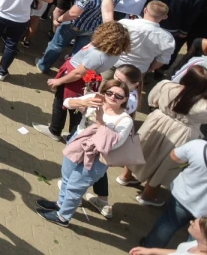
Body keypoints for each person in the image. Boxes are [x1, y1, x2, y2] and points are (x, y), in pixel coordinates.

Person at [36, 78, 135, 227]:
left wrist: (100, 122)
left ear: (125, 99)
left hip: (97, 155)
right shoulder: (95, 99)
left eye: (119, 96)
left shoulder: (125, 120)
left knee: (75, 186)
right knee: (67, 177)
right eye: (110, 93)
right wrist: (84, 103)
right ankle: (60, 204)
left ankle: (63, 217)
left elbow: (112, 144)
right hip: (78, 143)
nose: (113, 97)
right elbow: (66, 102)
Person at [123, 67, 207, 205]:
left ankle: (126, 176)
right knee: (164, 164)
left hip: (156, 122)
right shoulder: (203, 106)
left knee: (141, 149)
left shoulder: (166, 86)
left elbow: (152, 100)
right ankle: (147, 195)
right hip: (182, 133)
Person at [136, 138, 207, 248]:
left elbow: (174, 155)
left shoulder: (198, 146)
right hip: (204, 212)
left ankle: (148, 249)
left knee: (167, 224)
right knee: (199, 240)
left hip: (183, 198)